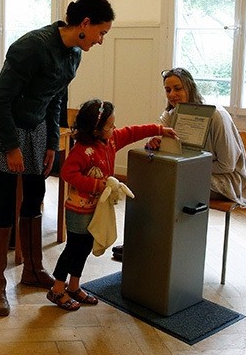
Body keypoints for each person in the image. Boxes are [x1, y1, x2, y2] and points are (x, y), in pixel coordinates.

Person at [0, 0, 115, 317]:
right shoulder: (32, 46)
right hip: (4, 128)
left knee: (34, 195)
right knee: (6, 203)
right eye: (101, 32)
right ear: (84, 24)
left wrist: (53, 143)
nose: (101, 40)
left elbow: (56, 98)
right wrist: (11, 147)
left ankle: (33, 270)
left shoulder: (74, 54)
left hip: (37, 130)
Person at [111, 67, 246, 261]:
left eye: (178, 88)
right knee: (142, 183)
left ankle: (156, 247)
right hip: (187, 173)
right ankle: (141, 241)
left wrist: (188, 169)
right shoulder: (171, 114)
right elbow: (166, 151)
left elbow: (227, 165)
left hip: (224, 179)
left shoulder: (217, 115)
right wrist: (154, 145)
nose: (172, 94)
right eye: (168, 90)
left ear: (190, 87)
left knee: (169, 189)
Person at [50, 99, 177, 310]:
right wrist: (95, 184)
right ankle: (56, 289)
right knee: (73, 248)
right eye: (110, 125)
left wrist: (159, 129)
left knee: (85, 248)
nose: (114, 128)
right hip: (78, 211)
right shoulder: (82, 150)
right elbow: (67, 173)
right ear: (95, 130)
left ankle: (74, 286)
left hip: (95, 210)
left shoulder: (112, 140)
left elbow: (133, 131)